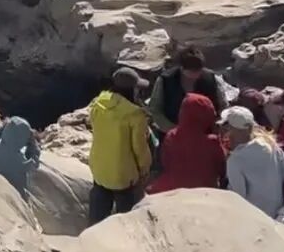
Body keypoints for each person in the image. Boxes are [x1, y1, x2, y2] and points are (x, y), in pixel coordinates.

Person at [88, 66, 153, 225]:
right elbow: (140, 148)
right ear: (132, 90)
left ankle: (92, 236)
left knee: (98, 213)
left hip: (99, 168)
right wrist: (145, 169)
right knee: (126, 219)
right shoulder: (135, 114)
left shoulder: (99, 103)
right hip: (123, 175)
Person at [221, 105, 284, 218]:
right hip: (277, 215)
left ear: (232, 130)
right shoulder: (270, 144)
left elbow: (238, 197)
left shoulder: (235, 160)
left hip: (254, 220)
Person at [147, 93, 226, 196]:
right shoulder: (212, 142)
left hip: (173, 188)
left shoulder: (171, 136)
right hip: (204, 191)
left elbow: (165, 162)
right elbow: (222, 170)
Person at [149, 48, 224, 134]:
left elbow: (223, 105)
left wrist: (217, 124)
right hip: (174, 135)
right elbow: (155, 109)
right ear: (182, 68)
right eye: (192, 71)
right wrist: (174, 130)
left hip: (207, 134)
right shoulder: (165, 80)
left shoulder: (211, 78)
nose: (196, 74)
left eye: (198, 71)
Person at [0, 117, 41, 198]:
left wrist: (3, 128)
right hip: (16, 196)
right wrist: (32, 141)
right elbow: (35, 159)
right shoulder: (23, 162)